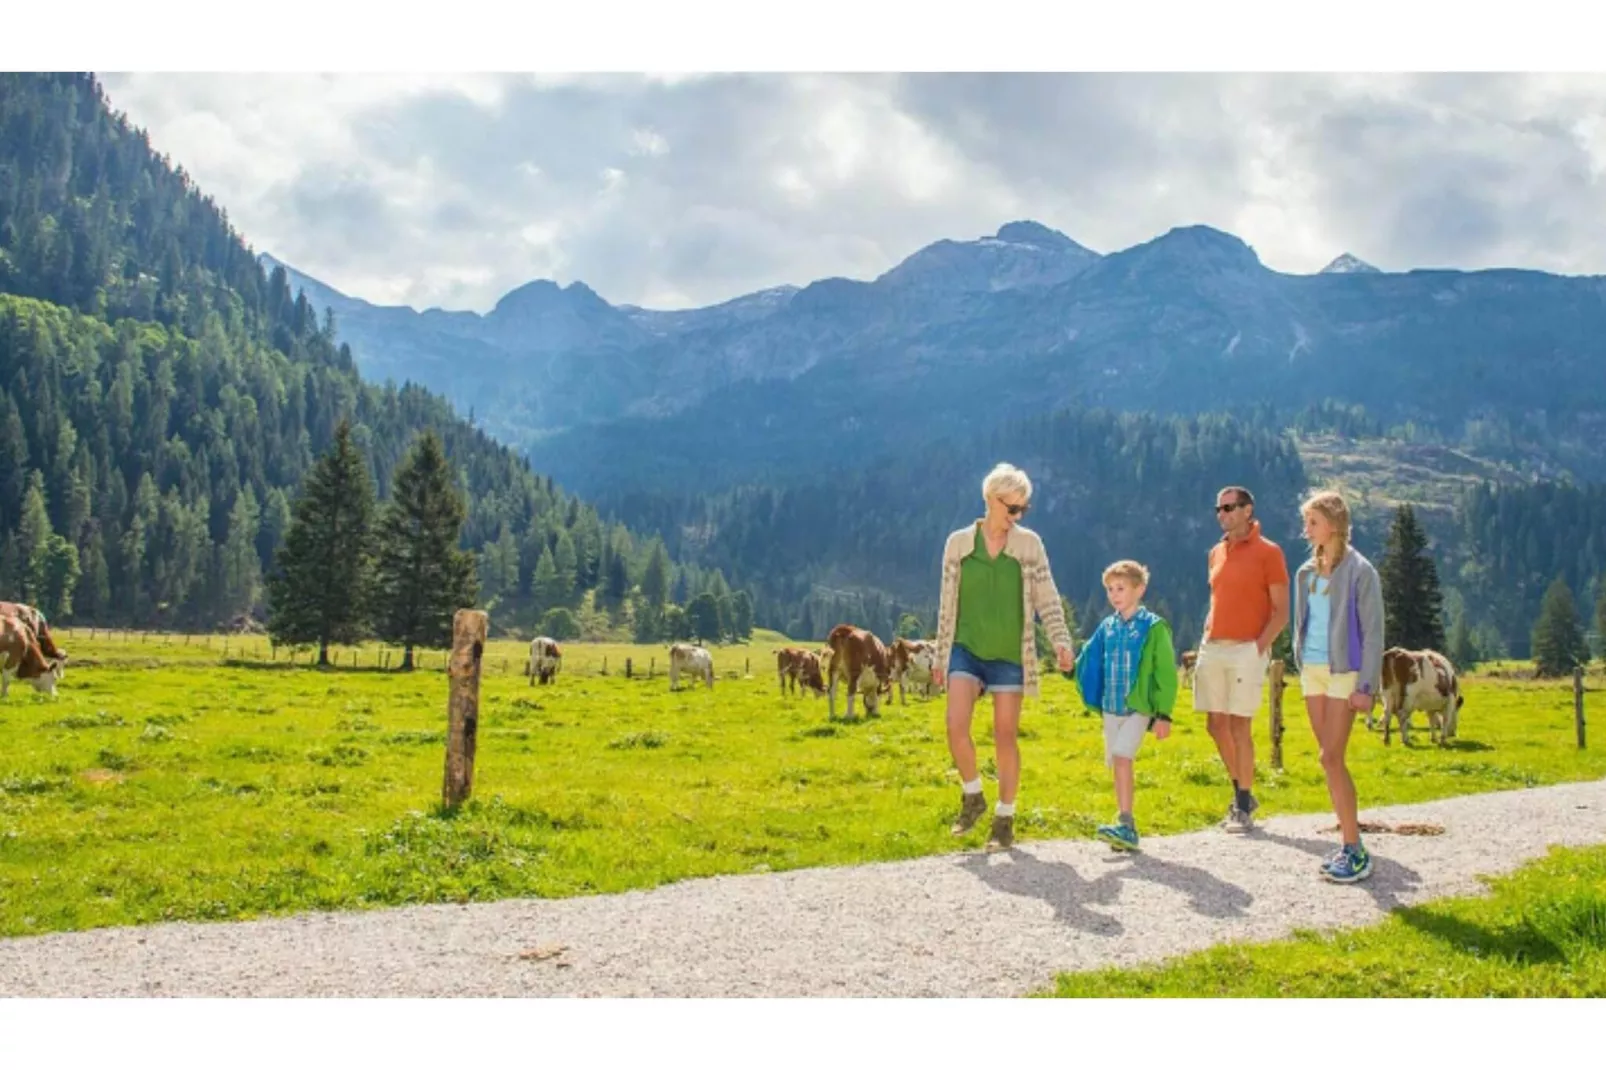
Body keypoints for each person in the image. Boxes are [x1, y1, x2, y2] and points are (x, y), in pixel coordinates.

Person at [933, 463, 1076, 851]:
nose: (1016, 518)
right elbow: (947, 604)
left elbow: (1047, 598)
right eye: (1011, 508)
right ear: (990, 500)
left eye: (1022, 511)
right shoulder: (959, 544)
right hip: (965, 648)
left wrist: (1061, 642)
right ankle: (973, 794)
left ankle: (1004, 817)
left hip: (1010, 655)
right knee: (955, 726)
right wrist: (939, 656)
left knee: (1004, 735)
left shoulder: (1029, 545)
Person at [1291, 490, 1385, 883]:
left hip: (1345, 672)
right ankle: (1349, 842)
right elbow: (1303, 623)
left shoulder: (1361, 571)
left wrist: (1367, 685)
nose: (1306, 529)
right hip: (1313, 671)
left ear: (1333, 524)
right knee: (1328, 758)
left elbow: (1375, 631)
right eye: (1306, 521)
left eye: (1313, 521)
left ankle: (1355, 849)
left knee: (1331, 758)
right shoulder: (1305, 573)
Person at [1193, 485, 1290, 832]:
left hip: (1246, 649)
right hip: (1214, 646)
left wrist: (1259, 647)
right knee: (1214, 725)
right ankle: (1243, 795)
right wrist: (1207, 632)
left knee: (1239, 725)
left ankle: (1243, 805)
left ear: (1248, 510)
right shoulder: (1215, 553)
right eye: (1218, 509)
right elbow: (1219, 599)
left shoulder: (1269, 552)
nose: (1222, 514)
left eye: (1229, 507)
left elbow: (1281, 611)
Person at [1074, 560, 1177, 852]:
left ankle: (1126, 823)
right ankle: (1124, 826)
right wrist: (1071, 667)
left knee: (1122, 757)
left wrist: (1164, 714)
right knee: (1117, 763)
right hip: (1110, 707)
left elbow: (1165, 673)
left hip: (1138, 708)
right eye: (1109, 589)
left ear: (1139, 589)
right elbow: (1089, 656)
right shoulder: (1108, 626)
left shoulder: (1153, 628)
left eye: (1121, 588)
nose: (1114, 595)